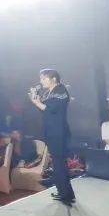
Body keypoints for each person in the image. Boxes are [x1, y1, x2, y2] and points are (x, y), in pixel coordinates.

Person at [29, 69, 74, 204]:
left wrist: (37, 102)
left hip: (59, 132)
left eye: (44, 78)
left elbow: (51, 109)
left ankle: (65, 194)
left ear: (53, 78)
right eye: (41, 79)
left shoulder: (61, 90)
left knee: (59, 162)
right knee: (57, 162)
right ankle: (64, 192)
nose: (41, 81)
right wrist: (35, 99)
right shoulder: (48, 92)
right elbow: (44, 110)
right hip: (51, 131)